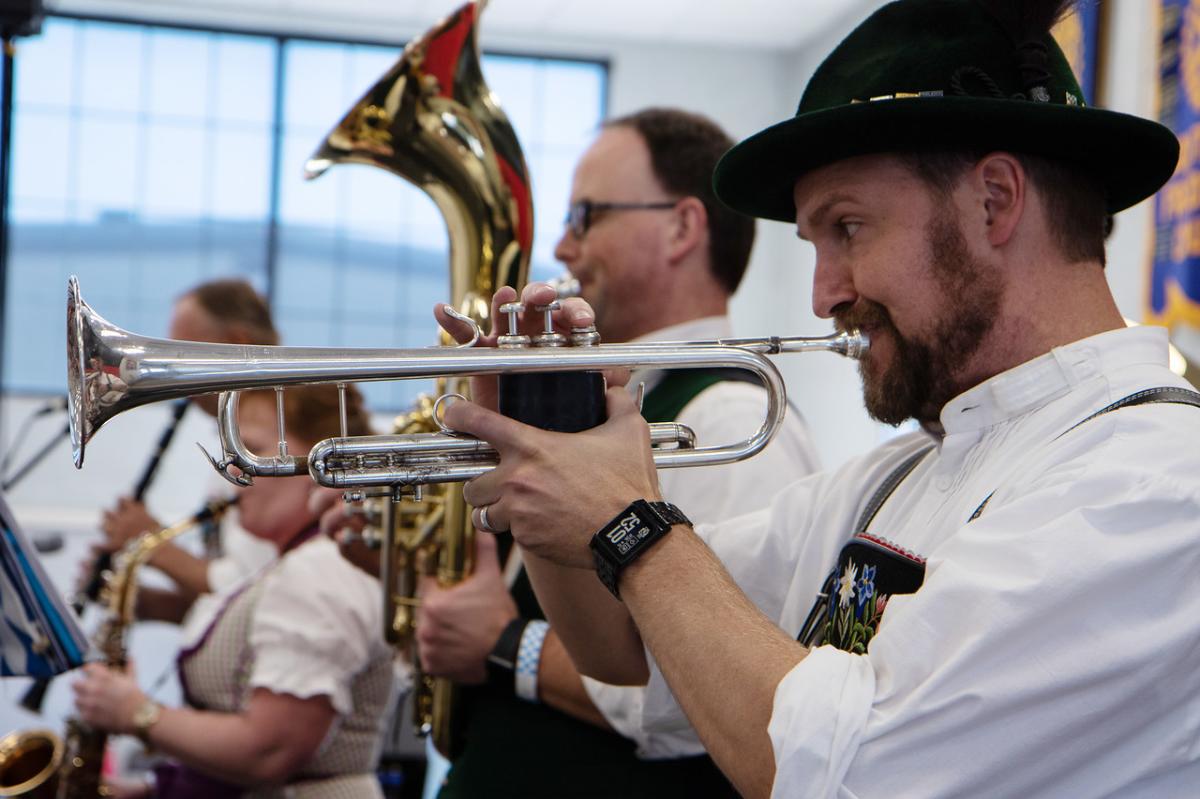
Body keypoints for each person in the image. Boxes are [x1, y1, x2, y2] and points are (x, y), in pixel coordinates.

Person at [431, 1, 1200, 797]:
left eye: (849, 228)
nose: (823, 293)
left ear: (994, 201)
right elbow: (626, 649)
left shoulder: (1154, 482)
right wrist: (549, 447)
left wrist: (629, 522)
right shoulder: (906, 471)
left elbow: (849, 770)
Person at [411, 108, 821, 797]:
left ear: (683, 227)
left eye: (585, 215)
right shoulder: (612, 401)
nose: (564, 248)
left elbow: (721, 690)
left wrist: (508, 643)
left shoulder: (730, 416)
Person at [72, 383, 398, 799]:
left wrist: (136, 712)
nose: (234, 476)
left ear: (321, 460)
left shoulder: (321, 571)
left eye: (252, 452)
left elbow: (269, 751)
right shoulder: (293, 562)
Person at [94, 279, 281, 618]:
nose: (172, 372)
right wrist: (146, 604)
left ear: (238, 344)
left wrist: (150, 542)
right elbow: (225, 609)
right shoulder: (236, 438)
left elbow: (253, 588)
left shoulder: (270, 445)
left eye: (183, 353)